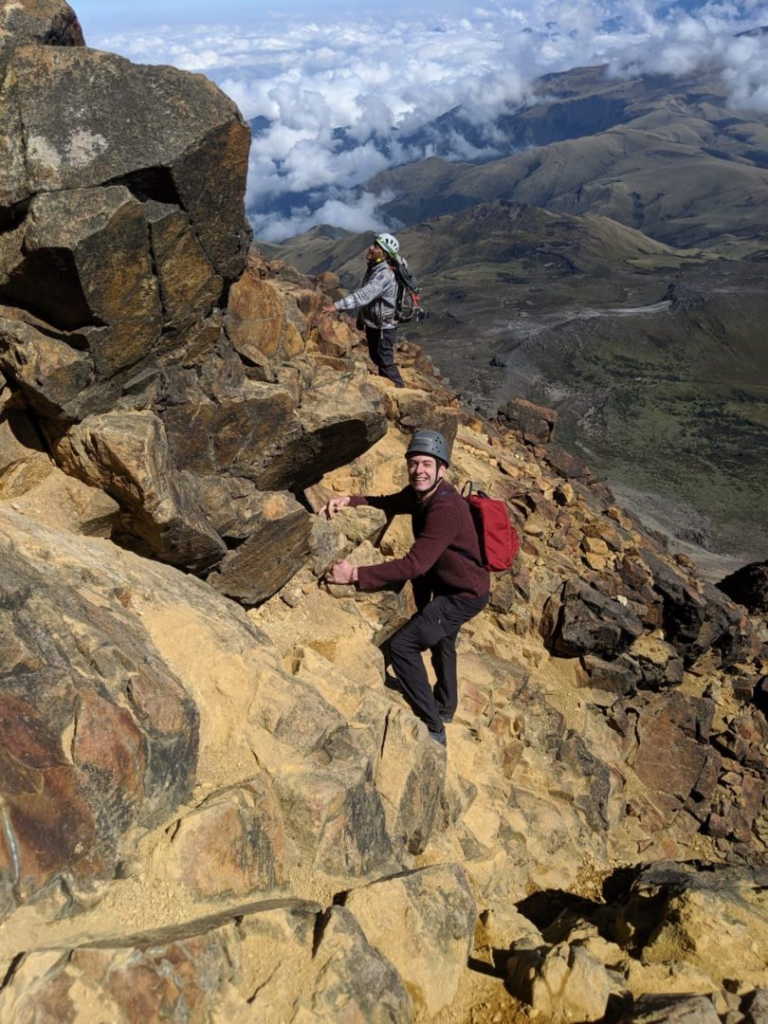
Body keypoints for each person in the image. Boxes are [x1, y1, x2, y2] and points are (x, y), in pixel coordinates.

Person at [320, 430, 490, 746]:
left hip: (462, 596)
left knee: (403, 646)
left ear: (443, 469)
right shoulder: (420, 494)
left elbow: (415, 565)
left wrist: (354, 573)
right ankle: (446, 705)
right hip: (453, 587)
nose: (418, 470)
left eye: (427, 463)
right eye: (413, 463)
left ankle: (434, 727)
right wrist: (350, 500)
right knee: (443, 642)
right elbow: (389, 502)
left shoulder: (445, 507)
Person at [322, 233, 405, 388]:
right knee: (377, 357)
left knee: (385, 362)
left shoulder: (384, 275)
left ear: (384, 254)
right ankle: (388, 387)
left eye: (376, 246)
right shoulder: (374, 268)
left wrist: (336, 306)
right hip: (375, 325)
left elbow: (364, 296)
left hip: (383, 328)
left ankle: (400, 392)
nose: (370, 248)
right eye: (373, 244)